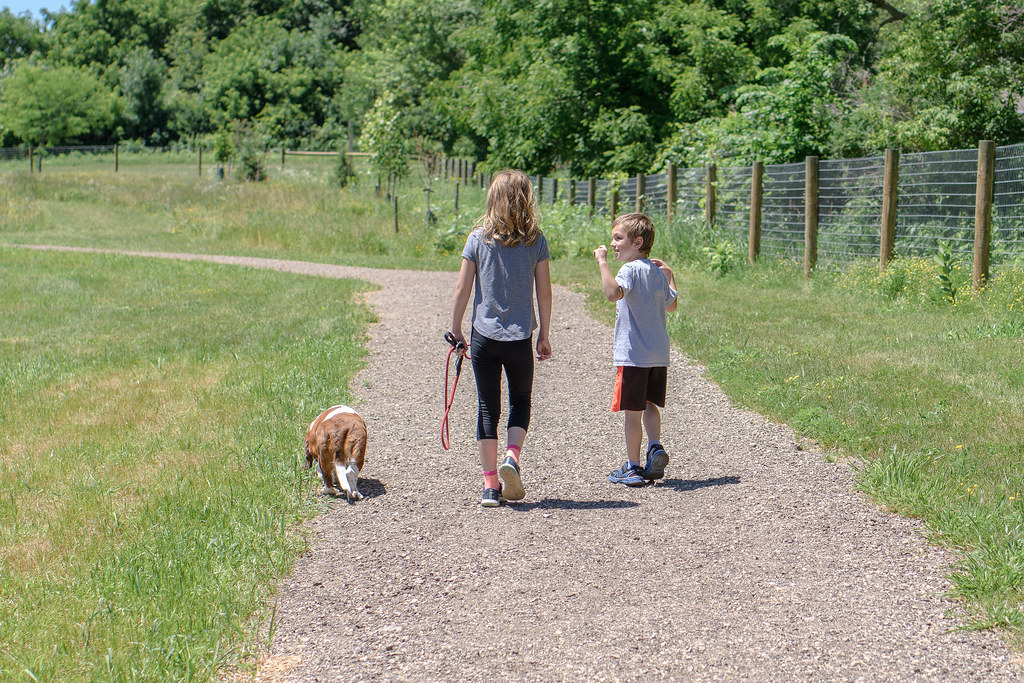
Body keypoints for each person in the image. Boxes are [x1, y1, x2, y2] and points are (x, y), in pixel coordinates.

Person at [450, 169, 553, 507]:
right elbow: (544, 292)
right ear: (526, 199)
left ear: (493, 199)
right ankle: (512, 456)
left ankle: (490, 486)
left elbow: (462, 288)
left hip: (484, 337)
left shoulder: (477, 239)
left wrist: (456, 329)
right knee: (520, 401)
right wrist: (544, 334)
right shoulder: (536, 241)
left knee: (486, 407)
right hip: (520, 337)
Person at [593, 213, 678, 487]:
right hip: (658, 355)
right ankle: (655, 446)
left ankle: (632, 467)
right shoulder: (656, 272)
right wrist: (670, 275)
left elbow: (612, 293)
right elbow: (671, 305)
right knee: (650, 404)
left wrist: (602, 262)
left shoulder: (629, 270)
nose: (613, 244)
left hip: (633, 355)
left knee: (632, 412)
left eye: (618, 238)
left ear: (637, 242)